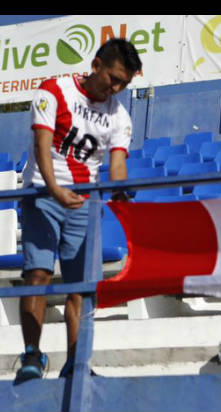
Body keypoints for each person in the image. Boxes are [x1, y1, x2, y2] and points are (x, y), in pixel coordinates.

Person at [14, 39, 142, 385]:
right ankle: (31, 355)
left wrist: (121, 189)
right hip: (42, 192)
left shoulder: (120, 115)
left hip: (84, 203)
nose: (115, 88)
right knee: (37, 275)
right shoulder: (53, 90)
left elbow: (116, 166)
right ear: (96, 64)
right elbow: (42, 145)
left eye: (124, 84)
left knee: (82, 287)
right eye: (113, 78)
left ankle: (76, 361)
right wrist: (55, 189)